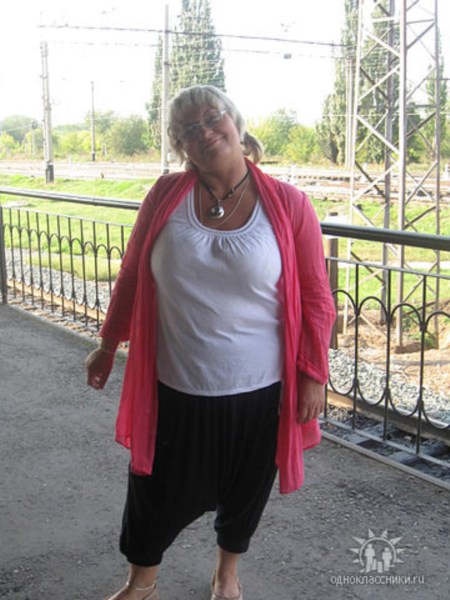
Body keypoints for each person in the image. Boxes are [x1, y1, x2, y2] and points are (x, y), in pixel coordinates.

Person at [86, 84, 336, 600]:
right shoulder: (164, 196)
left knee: (247, 488)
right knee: (153, 490)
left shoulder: (289, 204)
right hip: (177, 383)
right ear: (180, 146)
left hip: (260, 387)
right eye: (186, 129)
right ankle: (141, 584)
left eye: (211, 117)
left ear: (235, 122)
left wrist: (313, 374)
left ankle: (227, 573)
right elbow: (131, 274)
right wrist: (108, 343)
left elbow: (316, 296)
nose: (203, 132)